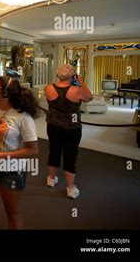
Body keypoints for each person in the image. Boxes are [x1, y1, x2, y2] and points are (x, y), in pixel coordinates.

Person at [0, 76, 39, 229]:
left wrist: (2, 156)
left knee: (12, 213)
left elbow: (33, 150)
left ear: (6, 93)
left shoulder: (22, 117)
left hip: (11, 171)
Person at [44, 64, 93, 199]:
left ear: (58, 75)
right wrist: (81, 81)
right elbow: (89, 97)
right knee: (70, 156)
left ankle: (51, 179)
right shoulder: (76, 90)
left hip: (53, 126)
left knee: (54, 150)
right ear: (72, 76)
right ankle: (70, 188)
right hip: (72, 128)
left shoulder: (48, 88)